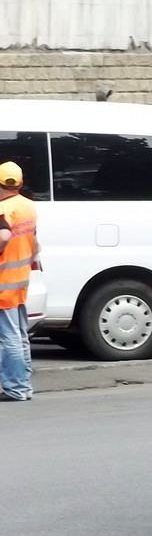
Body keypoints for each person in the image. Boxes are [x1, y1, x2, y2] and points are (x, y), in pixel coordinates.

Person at [0, 161, 38, 402]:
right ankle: (23, 385)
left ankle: (16, 388)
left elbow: (3, 236)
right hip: (20, 279)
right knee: (19, 334)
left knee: (9, 336)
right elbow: (35, 245)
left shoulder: (3, 209)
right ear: (20, 183)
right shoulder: (28, 206)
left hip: (3, 282)